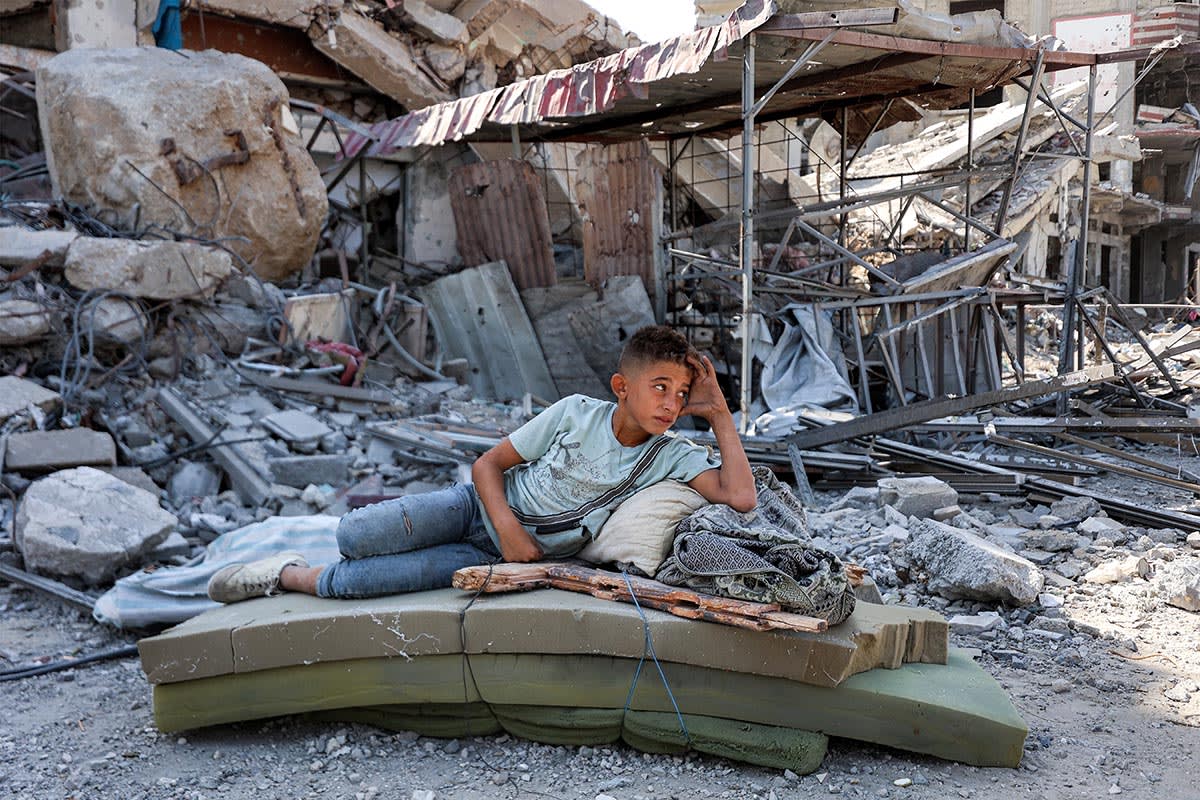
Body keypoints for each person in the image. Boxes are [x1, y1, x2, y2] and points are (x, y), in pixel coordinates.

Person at [206, 325, 757, 603]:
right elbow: (487, 464)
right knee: (355, 534)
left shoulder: (671, 454)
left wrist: (719, 414)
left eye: (681, 393)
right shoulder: (575, 413)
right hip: (477, 508)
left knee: (360, 582)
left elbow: (741, 497)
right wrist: (509, 529)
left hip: (491, 556)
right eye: (659, 386)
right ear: (621, 386)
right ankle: (292, 558)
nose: (670, 403)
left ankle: (282, 575)